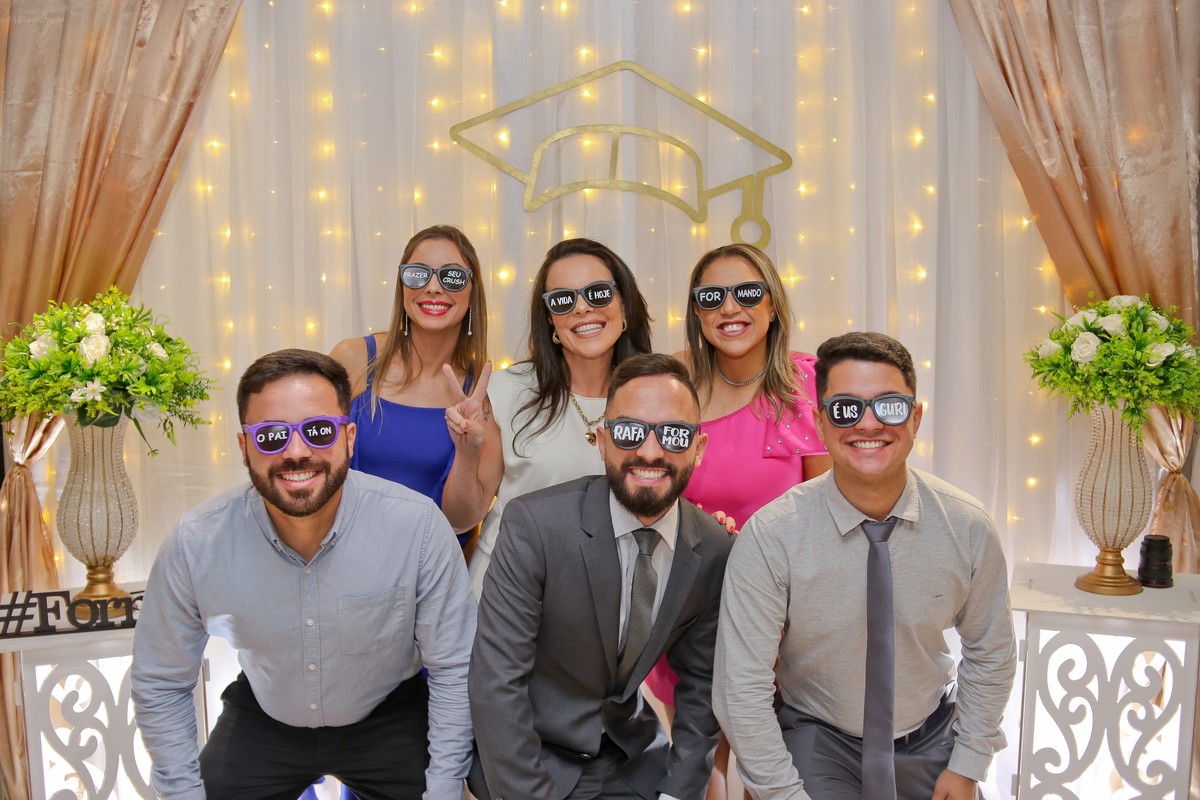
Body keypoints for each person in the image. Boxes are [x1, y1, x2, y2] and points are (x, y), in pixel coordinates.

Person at [131, 349, 476, 800]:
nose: (296, 453)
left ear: (349, 438)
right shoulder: (195, 543)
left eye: (318, 431)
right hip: (265, 714)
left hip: (389, 713)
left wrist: (445, 789)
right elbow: (161, 679)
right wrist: (181, 794)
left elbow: (455, 666)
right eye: (272, 436)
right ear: (244, 448)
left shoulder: (417, 526)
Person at [713, 332, 1016, 800]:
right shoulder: (772, 536)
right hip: (816, 737)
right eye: (845, 409)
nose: (868, 424)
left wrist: (968, 762)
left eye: (889, 406)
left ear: (915, 418)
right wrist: (783, 793)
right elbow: (741, 686)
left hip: (931, 734)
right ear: (819, 422)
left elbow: (991, 652)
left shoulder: (967, 527)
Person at [469, 353, 734, 800]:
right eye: (630, 432)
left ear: (699, 448)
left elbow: (702, 686)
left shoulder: (713, 548)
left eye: (673, 434)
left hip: (631, 758)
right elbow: (497, 682)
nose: (650, 452)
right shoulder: (535, 525)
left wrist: (677, 792)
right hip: (531, 755)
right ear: (604, 441)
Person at [654, 243, 832, 798]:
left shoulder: (806, 383)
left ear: (773, 304)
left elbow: (828, 507)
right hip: (691, 602)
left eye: (748, 292)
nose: (730, 307)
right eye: (712, 296)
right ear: (697, 311)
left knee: (767, 765)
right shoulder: (675, 384)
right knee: (699, 761)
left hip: (780, 608)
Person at [466, 237, 653, 597]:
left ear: (625, 305)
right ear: (550, 319)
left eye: (598, 293)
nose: (582, 308)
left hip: (605, 599)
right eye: (563, 300)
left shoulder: (653, 397)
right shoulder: (507, 390)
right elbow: (466, 514)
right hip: (506, 590)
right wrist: (464, 451)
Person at [330, 224, 496, 543]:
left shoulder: (485, 393)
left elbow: (461, 521)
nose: (433, 287)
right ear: (402, 285)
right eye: (418, 274)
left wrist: (467, 452)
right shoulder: (354, 358)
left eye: (451, 276)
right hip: (346, 553)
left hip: (430, 564)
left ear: (472, 291)